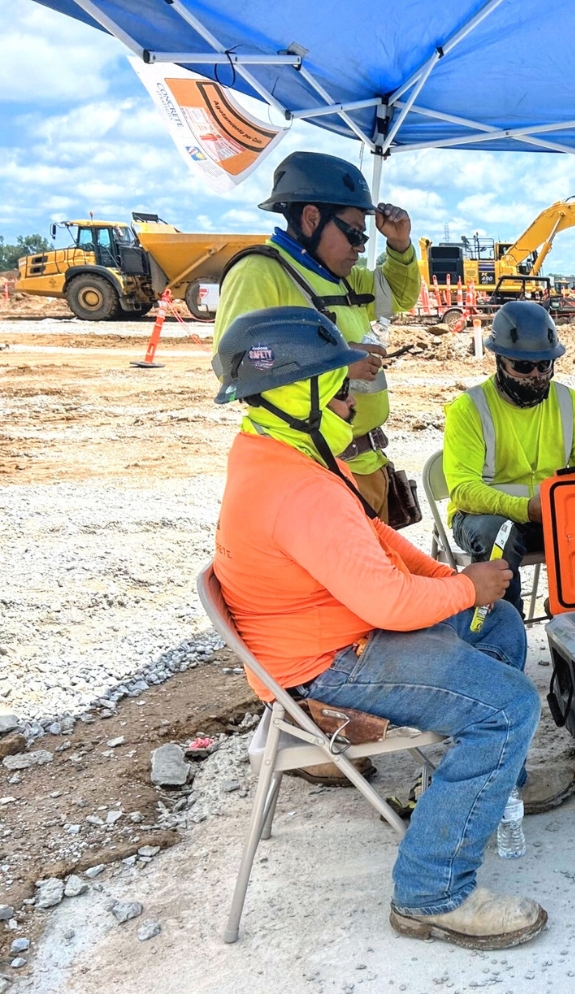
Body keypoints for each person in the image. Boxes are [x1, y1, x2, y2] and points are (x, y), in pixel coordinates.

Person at [212, 307, 548, 950]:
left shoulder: (273, 450)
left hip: (334, 632)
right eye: (335, 386)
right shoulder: (297, 488)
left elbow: (372, 539)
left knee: (499, 625)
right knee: (508, 707)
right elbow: (389, 605)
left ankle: (475, 787)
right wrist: (460, 587)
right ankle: (432, 894)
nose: (349, 398)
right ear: (297, 390)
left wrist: (450, 578)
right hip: (327, 660)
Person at [215, 150, 420, 523]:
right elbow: (237, 364)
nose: (360, 245)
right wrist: (336, 361)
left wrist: (400, 246)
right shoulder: (260, 272)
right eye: (355, 232)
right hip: (316, 470)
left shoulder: (341, 275)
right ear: (311, 218)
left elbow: (398, 295)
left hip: (363, 463)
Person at [444, 301, 575, 617]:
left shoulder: (567, 402)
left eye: (544, 365)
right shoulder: (470, 408)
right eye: (522, 366)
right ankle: (505, 632)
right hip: (481, 517)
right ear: (499, 361)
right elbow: (463, 490)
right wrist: (526, 509)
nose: (535, 375)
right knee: (497, 535)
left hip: (549, 513)